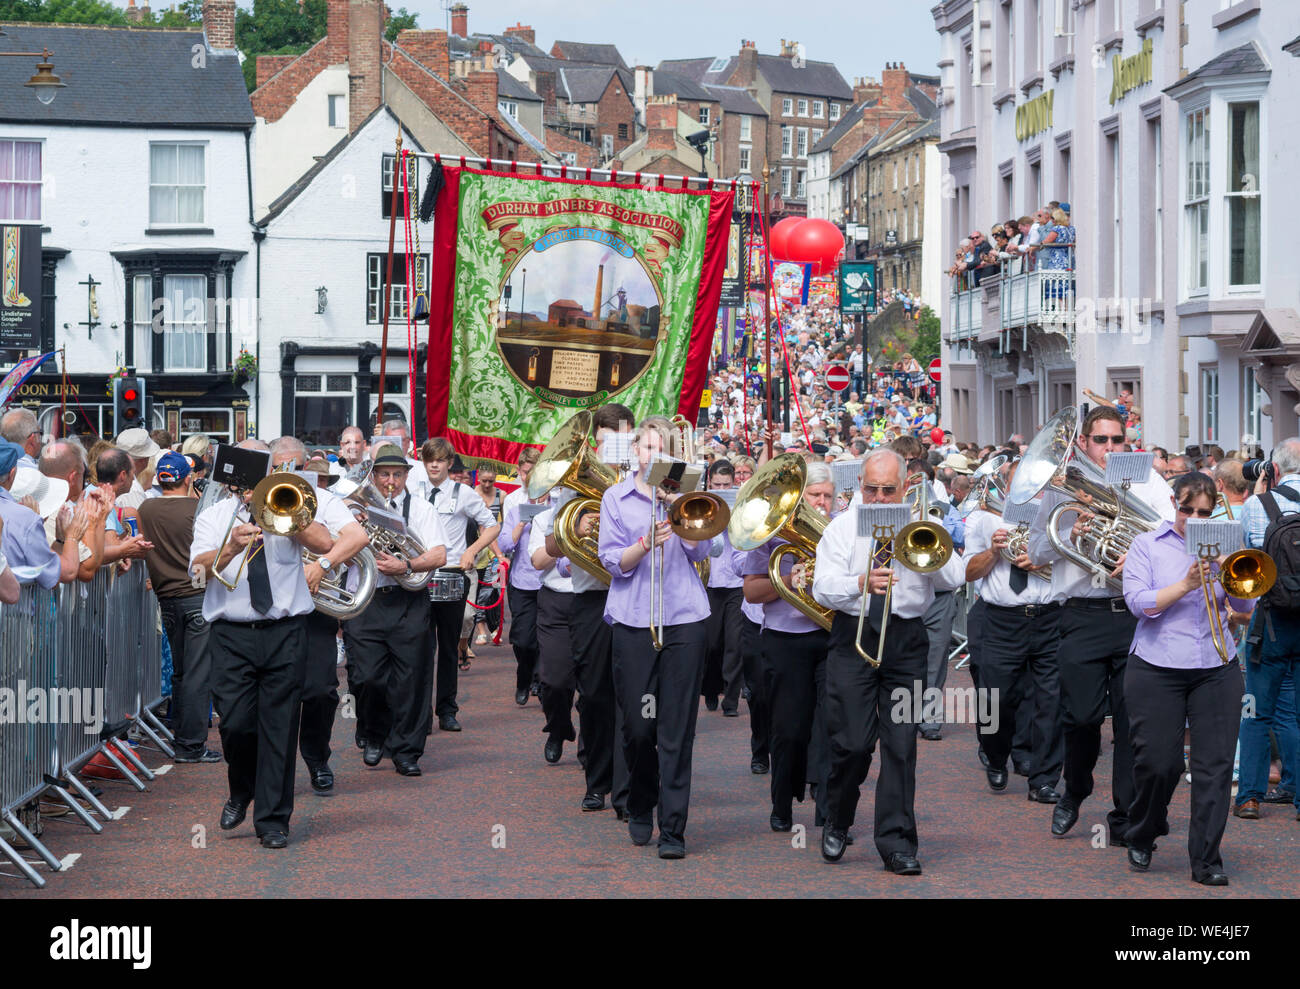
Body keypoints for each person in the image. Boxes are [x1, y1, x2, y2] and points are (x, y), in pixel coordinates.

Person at [811, 449, 966, 873]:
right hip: (853, 636)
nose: (879, 499)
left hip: (904, 640)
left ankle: (897, 843)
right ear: (859, 486)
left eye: (888, 490)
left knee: (900, 746)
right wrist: (860, 582)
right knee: (852, 744)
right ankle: (838, 819)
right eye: (871, 489)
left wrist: (929, 535)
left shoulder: (920, 523)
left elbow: (954, 578)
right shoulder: (842, 529)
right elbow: (822, 588)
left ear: (905, 488)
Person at [1027, 406, 1175, 844]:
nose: (1109, 449)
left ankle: (1125, 815)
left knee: (1133, 722)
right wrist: (1071, 535)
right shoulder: (1064, 485)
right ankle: (1074, 790)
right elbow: (1036, 550)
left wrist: (1144, 555)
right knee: (1081, 716)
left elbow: (1173, 535)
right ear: (1084, 443)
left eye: (1117, 441)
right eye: (1101, 441)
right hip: (1083, 615)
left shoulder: (1150, 481)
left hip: (1136, 617)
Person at [189, 439, 334, 848]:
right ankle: (241, 789)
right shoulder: (215, 517)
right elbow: (196, 573)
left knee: (280, 726)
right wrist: (232, 545)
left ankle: (273, 820)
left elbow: (325, 545)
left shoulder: (287, 506)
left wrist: (291, 514)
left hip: (284, 630)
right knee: (235, 724)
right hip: (232, 635)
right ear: (236, 480)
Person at [1122, 471, 1250, 884]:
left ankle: (1206, 861)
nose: (1193, 518)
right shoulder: (1146, 545)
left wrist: (1229, 573)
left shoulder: (1226, 545)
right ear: (1173, 504)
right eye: (1186, 509)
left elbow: (1244, 605)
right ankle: (1142, 831)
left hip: (1215, 665)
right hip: (1157, 665)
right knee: (1159, 764)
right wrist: (1186, 584)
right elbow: (1140, 604)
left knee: (1214, 767)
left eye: (1203, 512)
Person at [598, 415, 711, 858]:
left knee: (677, 729)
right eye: (646, 448)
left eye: (661, 449)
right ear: (635, 453)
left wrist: (678, 509)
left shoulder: (684, 498)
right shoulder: (616, 497)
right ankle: (641, 800)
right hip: (633, 619)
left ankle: (675, 829)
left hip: (685, 617)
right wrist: (645, 543)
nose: (653, 456)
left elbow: (703, 550)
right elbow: (612, 563)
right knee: (639, 727)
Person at [269, 438, 370, 793]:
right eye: (280, 468)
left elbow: (356, 535)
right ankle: (273, 773)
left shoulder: (324, 500)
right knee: (274, 697)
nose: (288, 474)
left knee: (319, 691)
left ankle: (316, 758)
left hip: (315, 612)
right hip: (269, 613)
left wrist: (324, 565)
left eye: (294, 468)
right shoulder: (255, 500)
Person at [340, 444, 447, 776]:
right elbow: (332, 549)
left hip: (408, 601)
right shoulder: (354, 509)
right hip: (367, 598)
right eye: (384, 474)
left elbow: (439, 555)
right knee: (367, 677)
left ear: (406, 477)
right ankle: (373, 734)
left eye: (397, 475)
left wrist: (406, 564)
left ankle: (406, 751)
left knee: (411, 679)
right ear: (373, 476)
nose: (390, 482)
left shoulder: (423, 510)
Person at [741, 459, 835, 833]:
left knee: (831, 724)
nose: (823, 502)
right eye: (815, 494)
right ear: (800, 496)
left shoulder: (839, 530)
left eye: (828, 495)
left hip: (831, 637)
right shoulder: (771, 532)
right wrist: (789, 579)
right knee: (790, 728)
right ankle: (782, 801)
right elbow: (751, 590)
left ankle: (827, 805)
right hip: (785, 640)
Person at [963, 460, 1062, 802]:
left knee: (1051, 701)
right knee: (996, 700)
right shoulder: (984, 517)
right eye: (1022, 483)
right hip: (1002, 619)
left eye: (1038, 484)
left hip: (1050, 616)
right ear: (1006, 485)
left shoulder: (1060, 516)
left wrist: (1046, 558)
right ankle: (994, 754)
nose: (1032, 491)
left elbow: (1080, 562)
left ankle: (1044, 779)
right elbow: (969, 572)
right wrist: (993, 551)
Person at [1233, 438, 1300, 822]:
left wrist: (1262, 495)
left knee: (1255, 710)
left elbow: (1244, 560)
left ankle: (1250, 796)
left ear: (1273, 469)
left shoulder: (1258, 506)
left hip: (1270, 621)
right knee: (1293, 712)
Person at [137, 452, 218, 763]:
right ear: (188, 477)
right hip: (197, 594)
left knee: (182, 672)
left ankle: (183, 738)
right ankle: (191, 744)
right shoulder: (199, 509)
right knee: (197, 673)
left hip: (166, 596)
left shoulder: (146, 507)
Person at [419, 437, 500, 730]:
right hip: (419, 574)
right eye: (429, 461)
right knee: (421, 647)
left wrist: (471, 550)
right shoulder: (413, 490)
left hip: (452, 573)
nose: (434, 466)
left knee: (450, 647)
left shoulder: (464, 493)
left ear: (449, 463)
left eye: (439, 460)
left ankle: (447, 709)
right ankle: (420, 713)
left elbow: (492, 526)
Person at [499, 448, 543, 705]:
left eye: (535, 472)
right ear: (519, 472)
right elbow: (505, 544)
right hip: (522, 579)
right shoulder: (514, 501)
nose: (530, 477)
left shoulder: (554, 499)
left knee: (545, 637)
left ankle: (539, 679)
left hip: (547, 580)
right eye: (526, 472)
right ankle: (524, 676)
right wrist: (520, 525)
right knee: (523, 639)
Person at [701, 460, 744, 716]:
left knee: (734, 644)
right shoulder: (701, 504)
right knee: (712, 644)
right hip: (710, 582)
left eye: (726, 485)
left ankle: (731, 698)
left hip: (736, 583)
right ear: (709, 484)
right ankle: (710, 687)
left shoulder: (740, 506)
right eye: (717, 484)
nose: (721, 488)